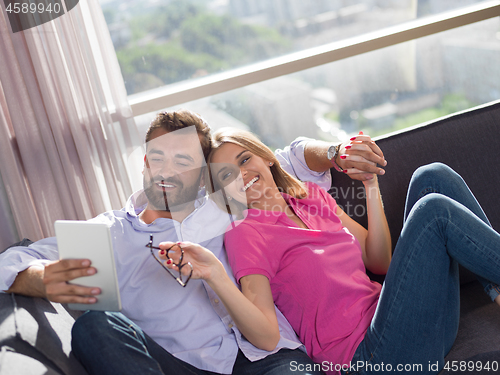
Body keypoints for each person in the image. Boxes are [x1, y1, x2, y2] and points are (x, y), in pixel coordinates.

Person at [0, 110, 386, 375]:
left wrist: (336, 153)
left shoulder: (225, 203)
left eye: (183, 161)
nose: (167, 171)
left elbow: (285, 159)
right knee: (95, 326)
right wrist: (37, 277)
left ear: (203, 175)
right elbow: (12, 259)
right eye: (159, 158)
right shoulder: (108, 233)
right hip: (185, 366)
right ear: (145, 165)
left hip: (269, 355)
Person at [160, 127, 500, 375]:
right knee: (433, 211)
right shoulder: (246, 233)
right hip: (372, 359)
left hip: (411, 328)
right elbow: (265, 335)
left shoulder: (308, 196)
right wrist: (216, 276)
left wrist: (370, 186)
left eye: (245, 158)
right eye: (227, 175)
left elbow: (379, 261)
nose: (243, 174)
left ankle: (496, 290)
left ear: (265, 156)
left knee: (432, 176)